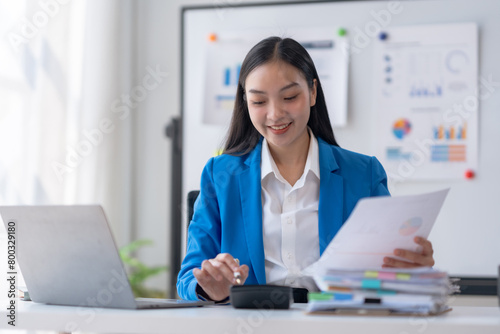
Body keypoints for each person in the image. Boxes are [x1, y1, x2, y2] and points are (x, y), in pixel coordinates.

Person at [177, 36, 435, 302]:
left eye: (289, 97)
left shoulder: (363, 174)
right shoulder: (221, 177)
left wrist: (411, 269)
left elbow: (390, 268)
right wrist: (208, 288)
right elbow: (188, 278)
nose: (275, 114)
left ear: (312, 92)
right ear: (245, 102)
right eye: (258, 102)